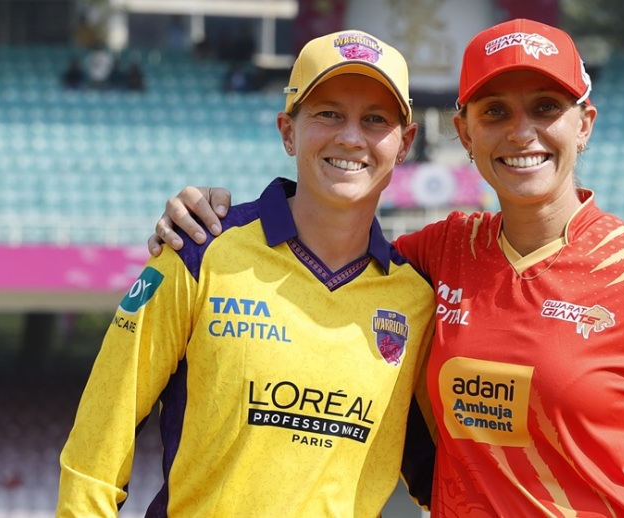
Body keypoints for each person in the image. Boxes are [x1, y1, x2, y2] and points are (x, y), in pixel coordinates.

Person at [149, 19, 624, 517]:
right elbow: (326, 254)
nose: (521, 132)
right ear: (464, 133)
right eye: (495, 111)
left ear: (584, 125)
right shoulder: (436, 255)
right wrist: (215, 217)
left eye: (546, 107)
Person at [56, 29, 437, 517]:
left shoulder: (416, 300)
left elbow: (448, 479)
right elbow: (94, 455)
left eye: (375, 119)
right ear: (288, 131)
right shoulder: (197, 251)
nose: (350, 136)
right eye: (328, 113)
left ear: (404, 143)